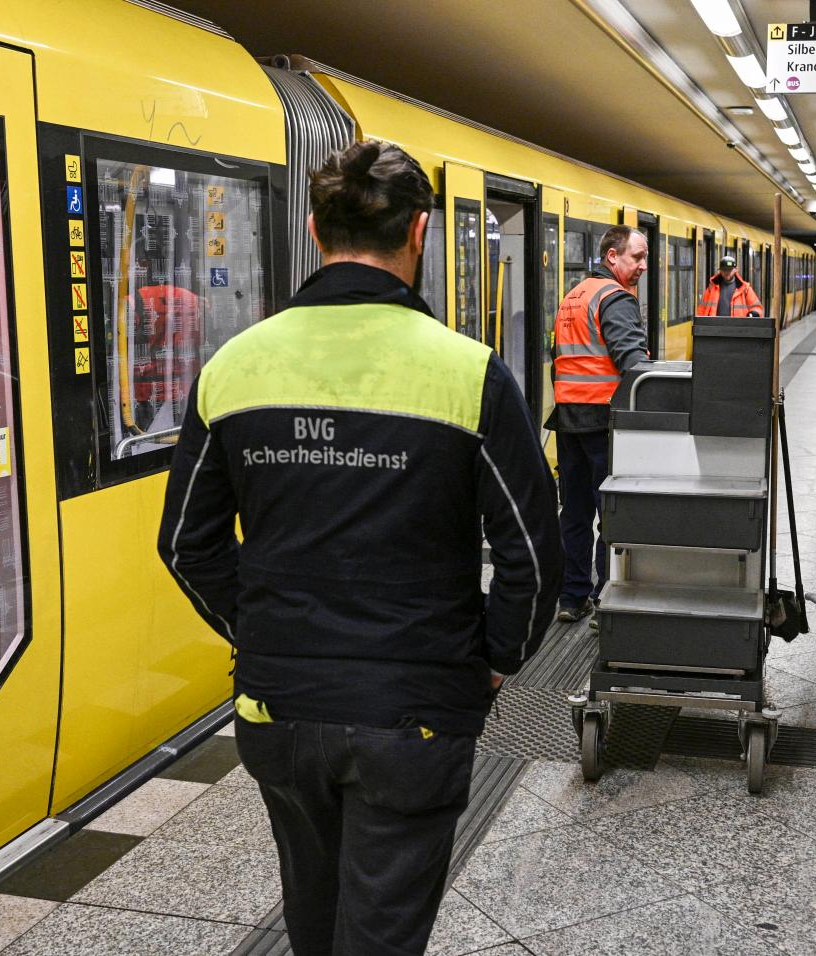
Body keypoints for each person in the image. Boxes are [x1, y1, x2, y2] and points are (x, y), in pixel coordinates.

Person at [158, 140, 561, 956]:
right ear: (419, 231)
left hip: (278, 712)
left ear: (315, 231)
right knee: (382, 932)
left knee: (313, 918)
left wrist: (262, 630)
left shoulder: (234, 368)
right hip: (414, 715)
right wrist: (495, 659)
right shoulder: (470, 374)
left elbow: (184, 545)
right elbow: (533, 552)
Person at [549, 225, 652, 622]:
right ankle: (606, 600)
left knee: (573, 513)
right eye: (637, 257)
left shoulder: (574, 296)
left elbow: (559, 356)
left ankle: (572, 597)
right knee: (611, 513)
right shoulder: (616, 298)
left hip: (568, 419)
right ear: (613, 256)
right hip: (603, 422)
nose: (643, 266)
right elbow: (632, 363)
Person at [695, 254, 762, 318]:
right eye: (724, 269)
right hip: (715, 324)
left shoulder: (745, 288)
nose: (727, 272)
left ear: (735, 270)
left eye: (729, 270)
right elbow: (702, 308)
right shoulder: (712, 287)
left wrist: (753, 314)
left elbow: (756, 307)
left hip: (737, 325)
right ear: (720, 270)